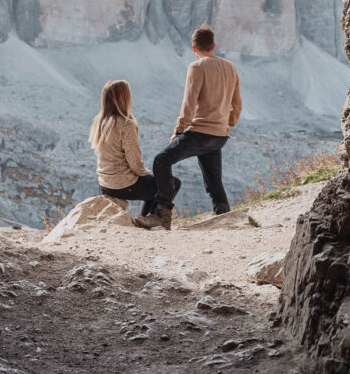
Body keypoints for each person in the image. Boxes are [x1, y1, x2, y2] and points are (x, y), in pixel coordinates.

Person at [136, 25, 242, 231]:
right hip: (220, 135)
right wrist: (228, 123)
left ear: (194, 48)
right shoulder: (230, 67)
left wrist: (178, 130)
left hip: (199, 133)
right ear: (214, 45)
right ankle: (224, 216)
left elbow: (189, 103)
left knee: (161, 161)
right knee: (213, 181)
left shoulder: (197, 66)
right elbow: (237, 104)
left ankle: (162, 213)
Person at [89, 78, 181, 222]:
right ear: (124, 98)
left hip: (105, 184)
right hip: (123, 184)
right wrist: (145, 173)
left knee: (152, 185)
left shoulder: (100, 121)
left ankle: (144, 219)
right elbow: (133, 159)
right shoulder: (126, 124)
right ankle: (152, 219)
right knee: (171, 183)